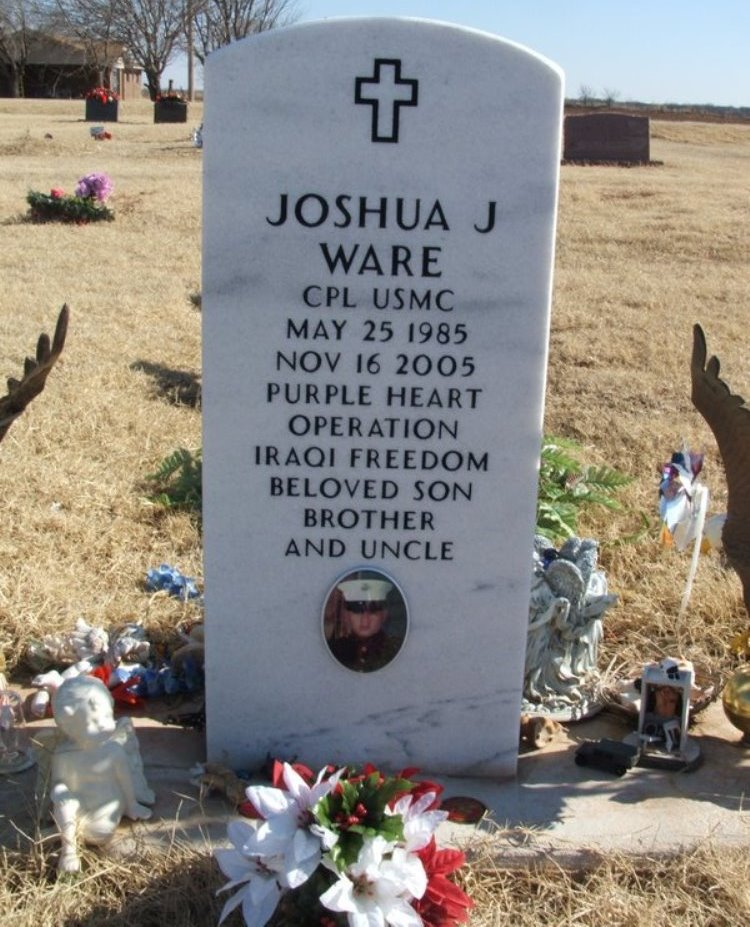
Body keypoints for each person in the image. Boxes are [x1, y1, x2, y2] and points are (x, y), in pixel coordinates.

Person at [50, 676, 155, 872]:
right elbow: (58, 782)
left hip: (106, 805)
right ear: (69, 725)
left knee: (100, 833)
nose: (106, 726)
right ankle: (69, 852)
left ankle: (71, 834)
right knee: (64, 807)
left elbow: (125, 779)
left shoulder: (113, 751)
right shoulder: (63, 755)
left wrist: (131, 803)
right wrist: (60, 793)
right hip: (78, 806)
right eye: (96, 722)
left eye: (108, 717)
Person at [326, 577, 405, 672]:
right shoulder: (333, 650)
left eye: (373, 612)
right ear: (346, 615)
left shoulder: (397, 650)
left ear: (384, 615)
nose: (365, 621)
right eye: (357, 611)